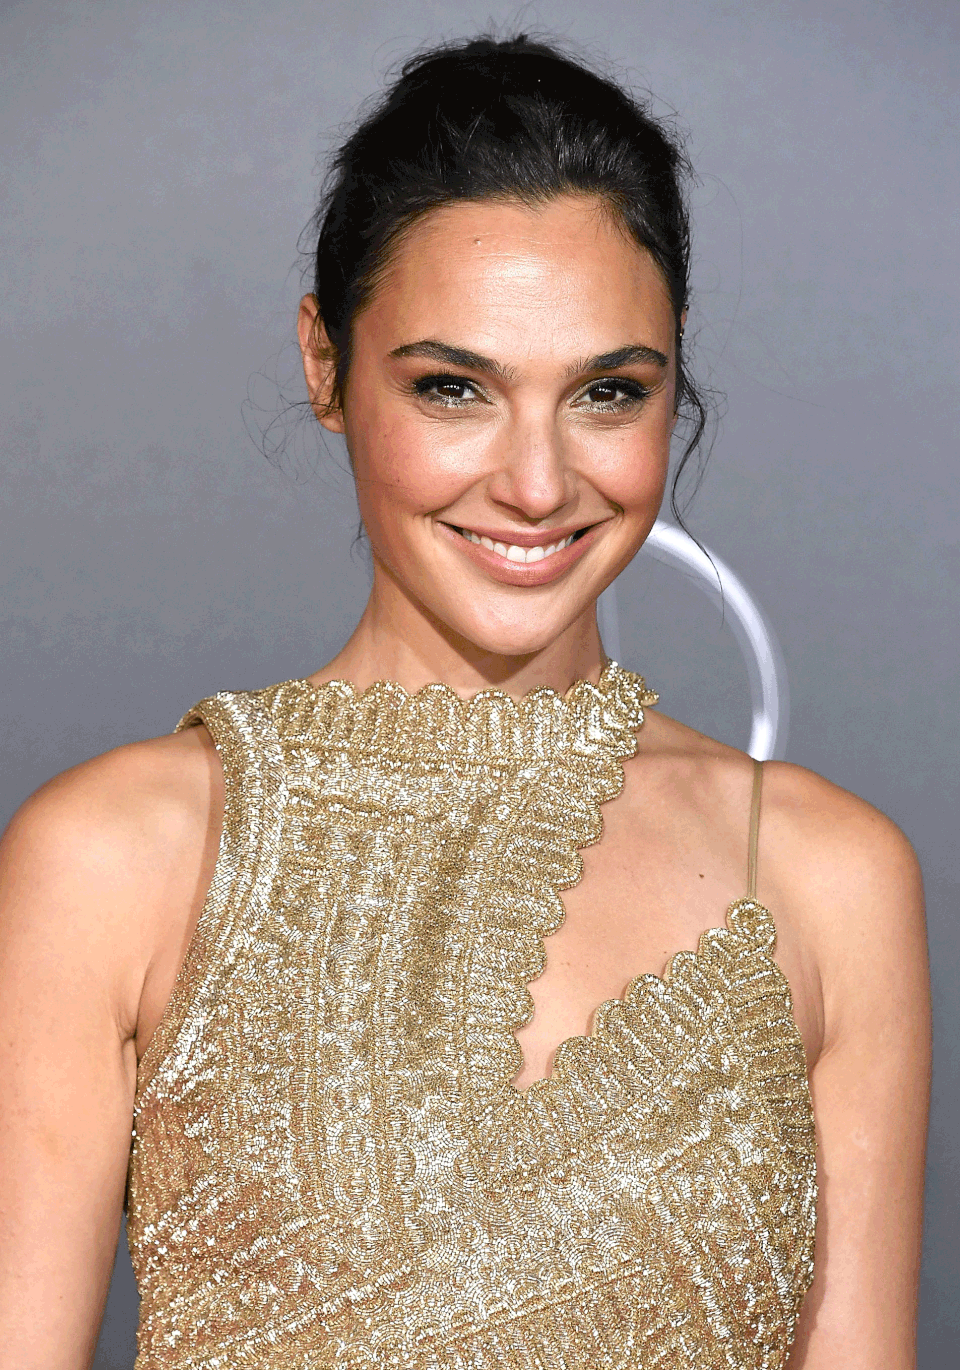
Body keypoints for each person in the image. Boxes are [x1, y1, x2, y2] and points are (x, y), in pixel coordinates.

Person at [0, 33, 930, 1370]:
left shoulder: (831, 879)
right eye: (454, 389)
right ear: (325, 367)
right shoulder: (115, 858)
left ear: (675, 389)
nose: (538, 482)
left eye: (609, 392)